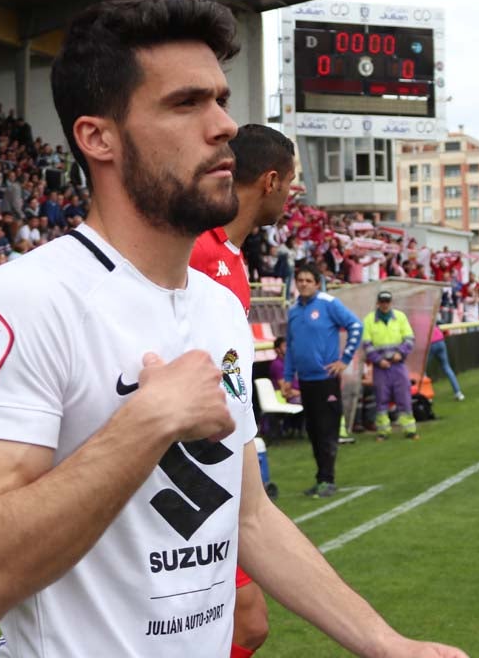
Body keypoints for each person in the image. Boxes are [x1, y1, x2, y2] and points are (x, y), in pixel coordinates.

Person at [0, 0, 465, 658]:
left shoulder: (217, 305)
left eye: (220, 99)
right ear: (98, 137)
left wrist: (388, 644)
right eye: (186, 103)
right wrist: (144, 423)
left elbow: (248, 515)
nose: (224, 126)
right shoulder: (31, 299)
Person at [187, 122, 295, 658]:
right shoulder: (200, 252)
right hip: (188, 472)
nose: (294, 196)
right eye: (292, 183)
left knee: (247, 624)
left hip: (223, 462)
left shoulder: (230, 256)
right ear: (271, 181)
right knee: (240, 623)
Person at [284, 265, 363, 496]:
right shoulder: (293, 311)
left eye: (309, 280)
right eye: (300, 280)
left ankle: (328, 479)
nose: (304, 284)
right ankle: (321, 477)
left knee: (327, 429)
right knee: (313, 431)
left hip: (326, 379)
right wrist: (288, 377)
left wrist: (344, 359)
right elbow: (290, 346)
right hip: (305, 381)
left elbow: (356, 326)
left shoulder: (328, 303)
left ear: (317, 283)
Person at [361, 290, 418, 441]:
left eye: (387, 302)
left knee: (403, 395)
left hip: (398, 364)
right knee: (381, 398)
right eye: (382, 301)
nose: (385, 304)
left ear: (391, 303)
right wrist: (378, 360)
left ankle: (410, 430)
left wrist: (401, 353)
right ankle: (383, 431)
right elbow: (366, 344)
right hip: (380, 367)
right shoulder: (369, 320)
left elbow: (409, 338)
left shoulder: (400, 317)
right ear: (378, 303)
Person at [427, 325, 464, 401]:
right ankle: (458, 393)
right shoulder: (430, 317)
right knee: (447, 367)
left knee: (422, 371)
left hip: (431, 343)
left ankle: (428, 397)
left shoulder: (419, 319)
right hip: (440, 341)